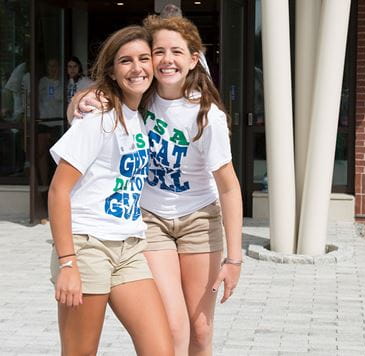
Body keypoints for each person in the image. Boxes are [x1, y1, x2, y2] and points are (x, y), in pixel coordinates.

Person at [69, 16, 243, 356]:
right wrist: (80, 99)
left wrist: (234, 259)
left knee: (201, 330)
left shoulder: (206, 115)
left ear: (194, 59)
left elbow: (229, 187)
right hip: (150, 220)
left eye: (177, 51)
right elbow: (95, 102)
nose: (167, 59)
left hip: (199, 221)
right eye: (158, 51)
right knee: (173, 326)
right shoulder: (139, 94)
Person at [48, 25, 173, 355]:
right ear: (112, 72)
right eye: (126, 61)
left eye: (143, 59)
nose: (137, 68)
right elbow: (59, 190)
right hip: (87, 247)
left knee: (161, 349)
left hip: (129, 248)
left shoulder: (139, 114)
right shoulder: (99, 115)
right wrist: (68, 264)